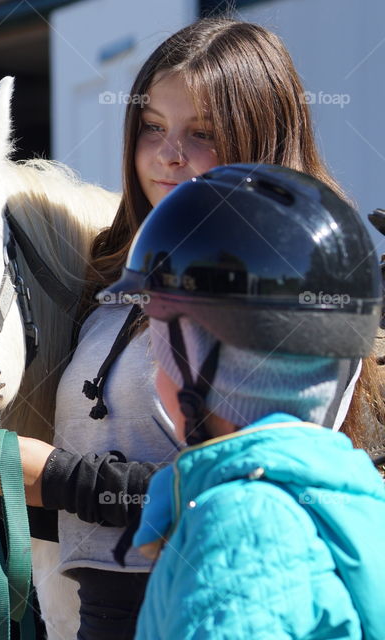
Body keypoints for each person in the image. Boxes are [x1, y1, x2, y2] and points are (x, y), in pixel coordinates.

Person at [0, 16, 383, 639]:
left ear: (263, 135)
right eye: (152, 127)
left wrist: (55, 477)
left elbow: (255, 483)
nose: (168, 154)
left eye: (201, 132)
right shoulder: (110, 274)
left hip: (213, 588)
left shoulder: (287, 287)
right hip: (93, 607)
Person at [106, 163, 385, 639]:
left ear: (207, 366)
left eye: (159, 346)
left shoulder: (246, 521)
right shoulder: (351, 498)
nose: (155, 368)